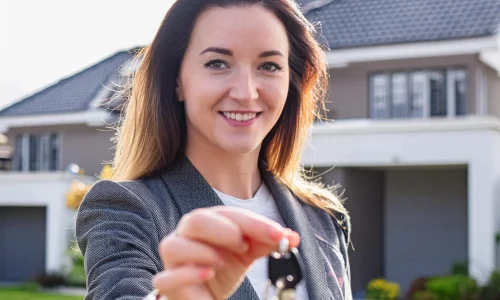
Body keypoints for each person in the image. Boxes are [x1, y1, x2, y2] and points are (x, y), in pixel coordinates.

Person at [75, 0, 353, 299]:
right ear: (177, 81)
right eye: (217, 63)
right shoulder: (124, 209)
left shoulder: (324, 217)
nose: (246, 93)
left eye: (269, 66)